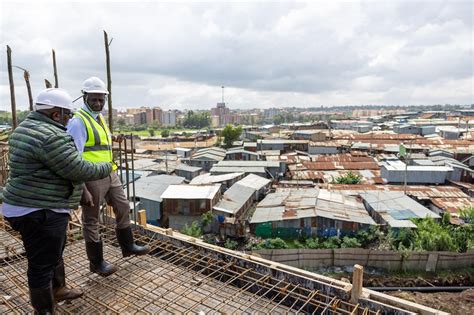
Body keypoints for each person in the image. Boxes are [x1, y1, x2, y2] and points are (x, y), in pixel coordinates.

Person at [2, 88, 113, 314]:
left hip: (30, 205)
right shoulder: (51, 136)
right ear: (55, 114)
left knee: (53, 251)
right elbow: (78, 168)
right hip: (39, 209)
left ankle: (59, 289)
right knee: (41, 264)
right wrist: (107, 166)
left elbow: (61, 168)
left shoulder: (25, 128)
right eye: (67, 115)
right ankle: (44, 309)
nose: (69, 119)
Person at [67, 77, 149, 277]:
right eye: (94, 99)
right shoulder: (78, 121)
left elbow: (100, 140)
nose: (98, 103)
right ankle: (96, 263)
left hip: (109, 172)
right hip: (91, 177)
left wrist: (114, 138)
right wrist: (82, 187)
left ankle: (127, 246)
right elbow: (73, 155)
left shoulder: (98, 118)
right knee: (91, 219)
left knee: (122, 206)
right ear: (84, 97)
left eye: (101, 100)